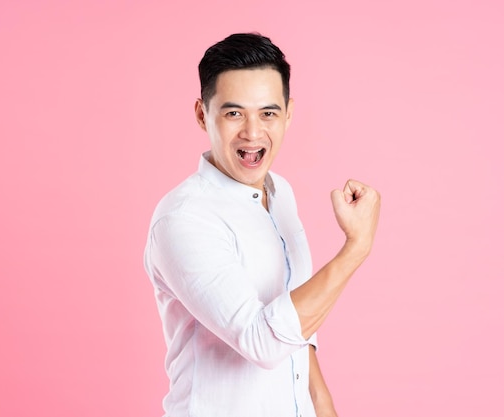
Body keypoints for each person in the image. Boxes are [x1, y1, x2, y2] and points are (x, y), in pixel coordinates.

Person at [144, 32, 380, 417]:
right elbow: (264, 343)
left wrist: (322, 406)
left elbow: (297, 328)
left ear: (288, 113)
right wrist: (356, 248)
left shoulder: (280, 192)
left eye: (268, 113)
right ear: (203, 115)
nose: (253, 132)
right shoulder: (184, 219)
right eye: (234, 113)